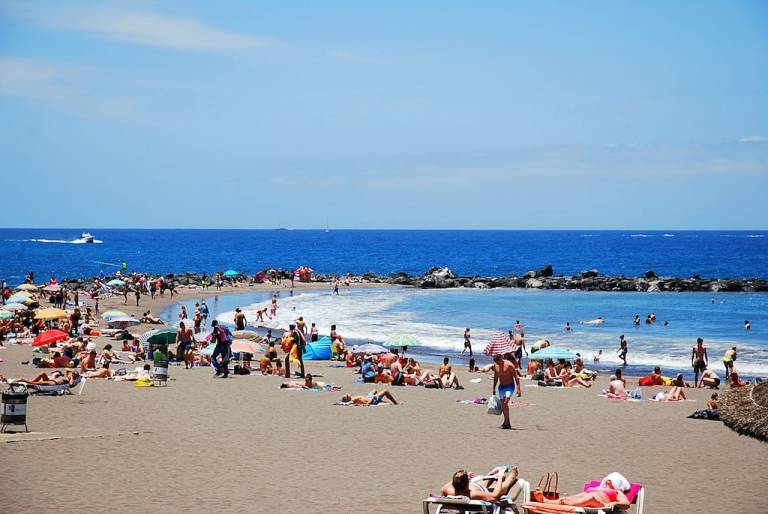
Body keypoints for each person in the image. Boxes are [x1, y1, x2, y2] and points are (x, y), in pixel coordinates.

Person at [529, 473, 631, 509]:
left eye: (611, 480)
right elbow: (582, 494)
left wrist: (614, 503)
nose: (608, 481)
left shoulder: (617, 492)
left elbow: (626, 503)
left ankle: (569, 504)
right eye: (608, 480)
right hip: (589, 497)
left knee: (591, 497)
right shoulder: (597, 488)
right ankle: (546, 500)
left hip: (600, 502)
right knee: (565, 499)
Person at [440, 467, 520, 503]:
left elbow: (443, 489)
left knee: (480, 483)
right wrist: (499, 478)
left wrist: (459, 478)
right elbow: (495, 496)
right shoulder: (473, 494)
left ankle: (491, 475)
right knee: (501, 489)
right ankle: (510, 477)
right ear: (467, 483)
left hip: (476, 487)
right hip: (482, 492)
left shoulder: (448, 491)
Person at [492, 353, 521, 429]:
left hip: (509, 386)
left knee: (505, 402)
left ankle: (506, 422)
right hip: (501, 387)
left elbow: (516, 377)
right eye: (496, 362)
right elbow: (496, 377)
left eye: (498, 362)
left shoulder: (509, 365)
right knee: (503, 405)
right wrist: (493, 388)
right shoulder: (496, 366)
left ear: (501, 359)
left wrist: (518, 389)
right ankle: (507, 422)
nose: (497, 363)